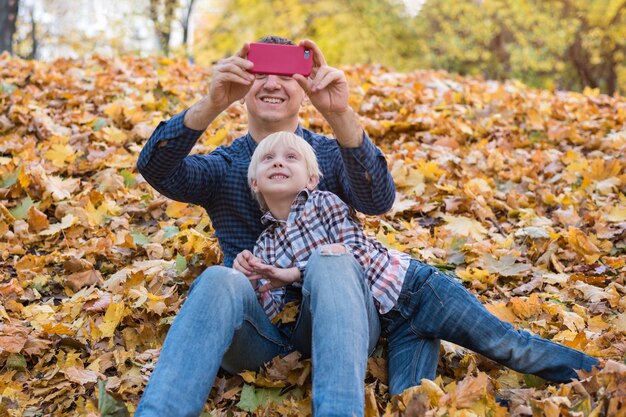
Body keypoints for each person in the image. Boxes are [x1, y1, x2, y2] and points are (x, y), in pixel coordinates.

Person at [135, 35, 394, 417]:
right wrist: (212, 104)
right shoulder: (225, 167)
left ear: (305, 88)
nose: (272, 84)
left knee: (332, 261)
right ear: (243, 88)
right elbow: (156, 168)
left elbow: (378, 200)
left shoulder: (326, 155)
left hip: (341, 325)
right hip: (258, 336)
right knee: (217, 279)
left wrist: (340, 114)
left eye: (287, 74)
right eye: (259, 74)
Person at [245, 130, 599, 399]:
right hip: (395, 326)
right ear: (255, 181)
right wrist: (250, 282)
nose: (278, 162)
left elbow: (352, 254)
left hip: (422, 292)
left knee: (507, 346)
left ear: (311, 178)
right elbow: (278, 317)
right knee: (408, 399)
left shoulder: (325, 203)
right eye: (268, 159)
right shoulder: (265, 246)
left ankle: (602, 375)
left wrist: (293, 274)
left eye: (291, 157)